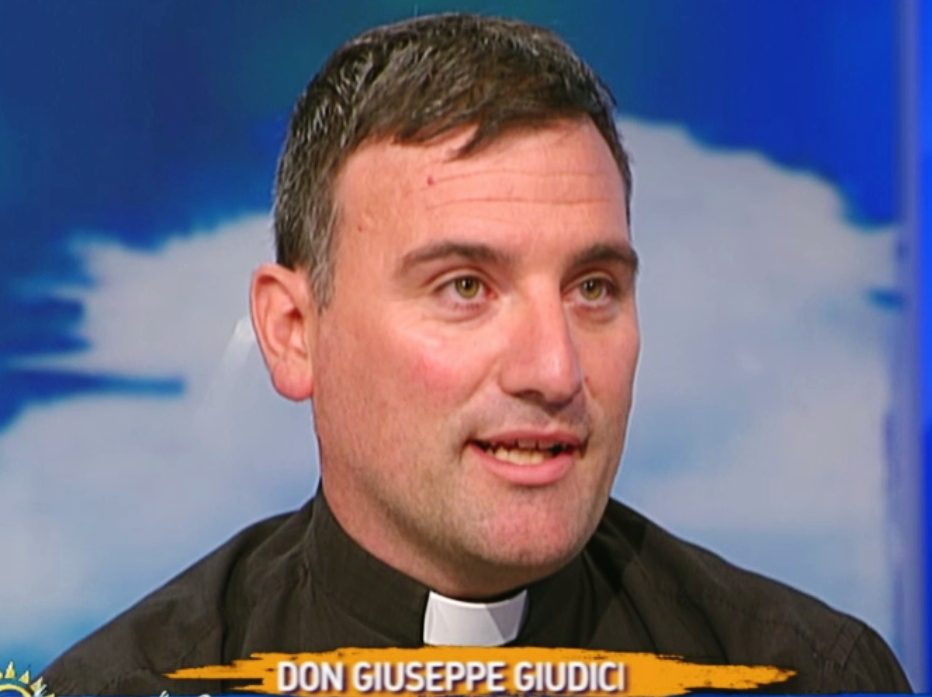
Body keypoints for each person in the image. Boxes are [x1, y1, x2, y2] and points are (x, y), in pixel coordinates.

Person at [43, 13, 911, 695]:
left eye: (593, 288)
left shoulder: (810, 674)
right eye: (465, 286)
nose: (555, 370)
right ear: (293, 331)